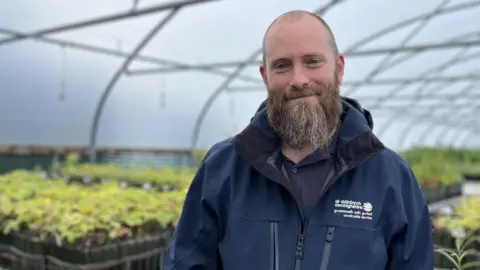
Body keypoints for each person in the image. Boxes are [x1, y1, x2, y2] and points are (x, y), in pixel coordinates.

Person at [161, 10, 434, 270]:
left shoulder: (391, 178)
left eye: (312, 61)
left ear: (339, 69)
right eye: (282, 66)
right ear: (265, 76)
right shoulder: (223, 168)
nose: (299, 79)